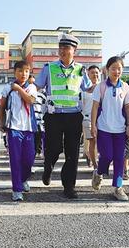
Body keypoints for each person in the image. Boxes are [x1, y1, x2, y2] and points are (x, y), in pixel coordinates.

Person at [34, 33, 91, 199]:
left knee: (72, 153)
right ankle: (48, 167)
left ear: (74, 51)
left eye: (66, 48)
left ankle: (69, 186)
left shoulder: (81, 70)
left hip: (74, 116)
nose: (62, 51)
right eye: (60, 47)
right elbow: (36, 86)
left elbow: (88, 89)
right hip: (54, 116)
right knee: (54, 148)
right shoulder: (49, 68)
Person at [90, 56, 129, 200]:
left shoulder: (125, 87)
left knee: (119, 158)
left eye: (119, 69)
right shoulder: (101, 86)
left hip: (120, 129)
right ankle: (98, 173)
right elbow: (95, 106)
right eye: (113, 68)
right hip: (104, 127)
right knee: (107, 156)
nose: (116, 71)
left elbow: (128, 108)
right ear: (107, 70)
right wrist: (93, 125)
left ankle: (118, 187)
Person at [0, 61, 37, 201]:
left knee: (29, 158)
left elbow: (30, 101)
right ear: (14, 72)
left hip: (28, 128)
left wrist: (18, 89)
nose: (23, 74)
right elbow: (2, 107)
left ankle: (23, 179)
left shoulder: (31, 87)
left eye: (26, 71)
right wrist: (2, 123)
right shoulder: (7, 88)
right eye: (20, 71)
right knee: (15, 159)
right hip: (14, 128)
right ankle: (16, 190)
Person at [81, 65, 100, 172]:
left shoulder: (103, 87)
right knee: (93, 141)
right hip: (87, 119)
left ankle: (96, 160)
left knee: (100, 142)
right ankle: (95, 165)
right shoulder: (84, 90)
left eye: (96, 72)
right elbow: (81, 105)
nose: (95, 75)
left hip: (101, 118)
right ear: (88, 74)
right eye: (92, 72)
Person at [28, 75, 46, 158]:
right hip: (28, 120)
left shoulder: (41, 95)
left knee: (38, 137)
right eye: (30, 83)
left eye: (33, 83)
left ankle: (38, 151)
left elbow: (45, 107)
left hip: (39, 120)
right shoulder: (24, 94)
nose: (32, 85)